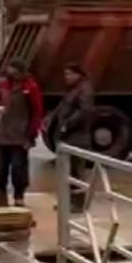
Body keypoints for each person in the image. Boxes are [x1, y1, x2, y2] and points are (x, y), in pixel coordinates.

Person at [0, 58, 44, 207]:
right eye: (9, 68)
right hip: (4, 134)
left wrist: (31, 135)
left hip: (21, 135)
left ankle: (19, 196)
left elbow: (36, 112)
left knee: (18, 168)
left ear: (21, 71)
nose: (10, 72)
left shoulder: (30, 87)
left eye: (13, 69)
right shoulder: (4, 85)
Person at [53, 62, 94, 211]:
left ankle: (77, 203)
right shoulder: (73, 90)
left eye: (69, 74)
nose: (67, 77)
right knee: (67, 172)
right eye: (65, 74)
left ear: (78, 74)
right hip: (68, 136)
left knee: (76, 171)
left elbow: (84, 111)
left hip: (78, 137)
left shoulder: (84, 90)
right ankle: (67, 201)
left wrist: (67, 124)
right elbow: (63, 108)